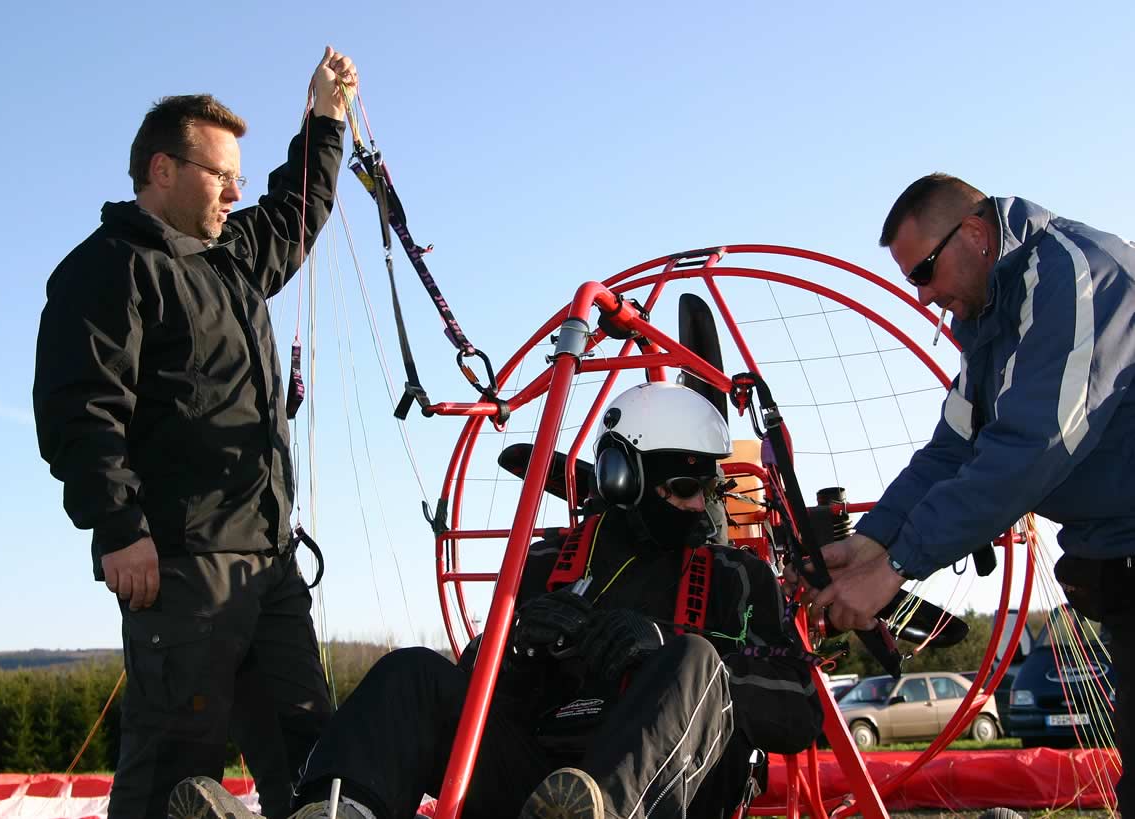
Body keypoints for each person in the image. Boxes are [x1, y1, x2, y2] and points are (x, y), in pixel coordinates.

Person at [169, 382, 823, 819]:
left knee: (693, 660)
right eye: (683, 487)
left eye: (710, 488)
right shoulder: (547, 563)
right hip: (539, 785)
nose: (702, 505)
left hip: (663, 791)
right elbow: (479, 698)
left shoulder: (736, 576)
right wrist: (508, 648)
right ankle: (337, 811)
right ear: (623, 478)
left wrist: (664, 650)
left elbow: (799, 709)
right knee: (412, 673)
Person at [32, 47, 358, 819]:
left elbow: (296, 206)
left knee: (314, 759)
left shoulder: (235, 258)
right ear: (162, 170)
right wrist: (119, 527)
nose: (235, 192)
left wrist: (325, 119)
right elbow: (80, 410)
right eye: (220, 175)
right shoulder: (107, 269)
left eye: (237, 177)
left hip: (269, 564)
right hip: (179, 565)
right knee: (174, 772)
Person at [799, 173, 1135, 813]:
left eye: (924, 272)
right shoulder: (990, 327)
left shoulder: (1074, 276)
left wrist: (894, 569)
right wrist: (869, 543)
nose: (923, 296)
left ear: (976, 235)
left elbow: (1029, 447)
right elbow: (950, 452)